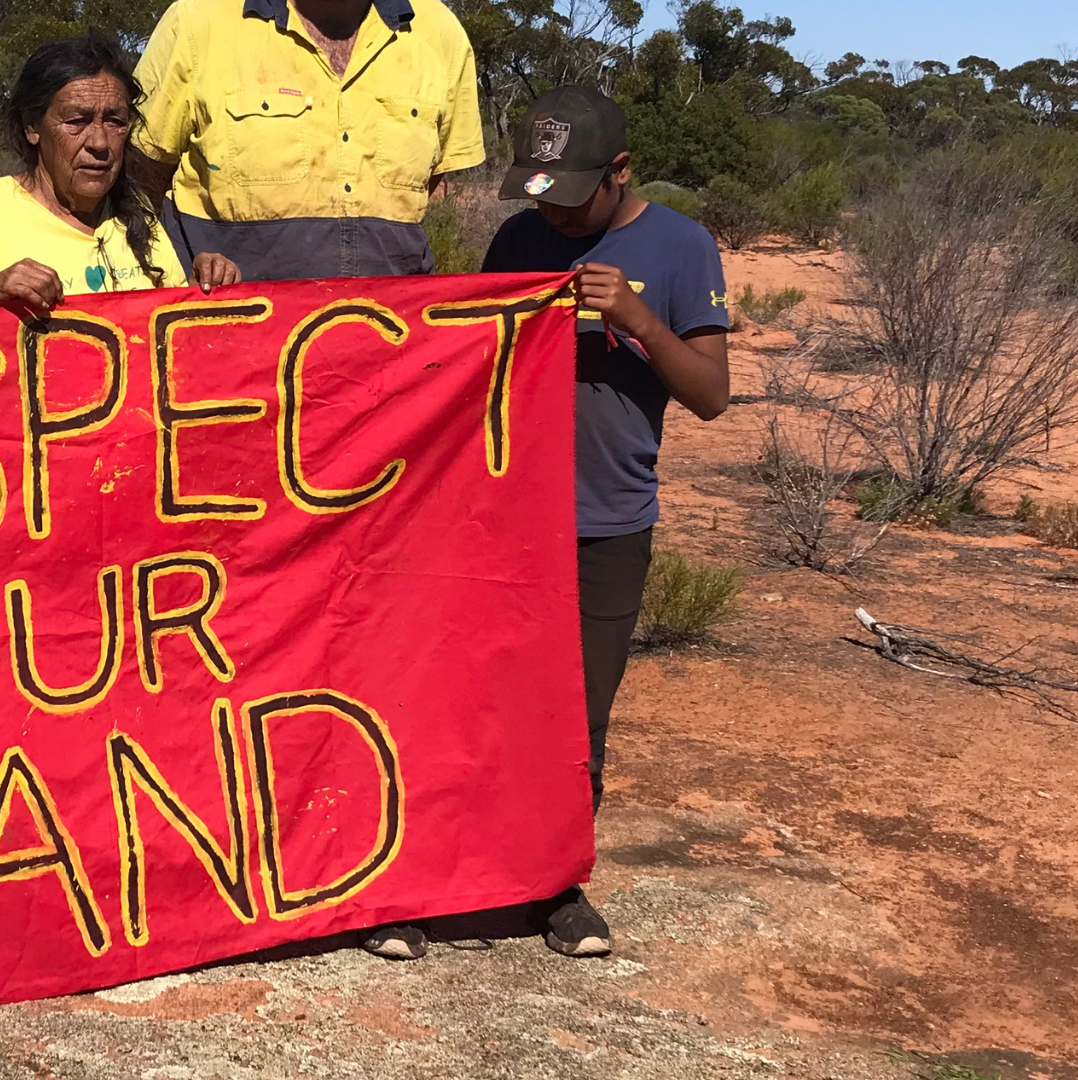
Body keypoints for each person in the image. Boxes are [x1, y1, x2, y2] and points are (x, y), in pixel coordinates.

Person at [480, 85, 731, 958]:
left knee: (577, 718)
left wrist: (633, 317)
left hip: (606, 521)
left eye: (570, 189)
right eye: (539, 188)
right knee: (479, 700)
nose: (550, 207)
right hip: (502, 514)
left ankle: (556, 887)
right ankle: (465, 872)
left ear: (621, 171)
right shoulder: (517, 239)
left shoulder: (677, 244)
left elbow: (710, 396)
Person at [131, 0, 485, 281]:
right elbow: (139, 177)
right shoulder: (198, 22)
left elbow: (430, 181)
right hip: (233, 340)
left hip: (388, 338)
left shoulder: (439, 34)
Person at [0, 33, 241, 310]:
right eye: (77, 121)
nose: (100, 142)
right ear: (31, 127)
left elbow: (165, 335)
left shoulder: (137, 212)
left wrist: (203, 288)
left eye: (115, 121)